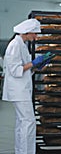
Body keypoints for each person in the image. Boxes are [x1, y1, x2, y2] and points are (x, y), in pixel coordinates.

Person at [2, 19, 49, 154]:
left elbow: (26, 68)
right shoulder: (14, 45)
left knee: (23, 122)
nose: (36, 37)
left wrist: (37, 66)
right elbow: (15, 70)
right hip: (18, 90)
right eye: (35, 34)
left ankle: (22, 151)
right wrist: (33, 63)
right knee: (28, 122)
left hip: (22, 89)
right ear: (27, 32)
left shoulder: (22, 44)